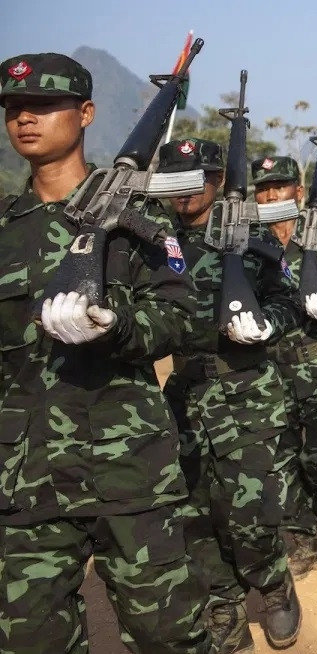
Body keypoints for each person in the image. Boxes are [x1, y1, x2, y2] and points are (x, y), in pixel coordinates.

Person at [0, 53, 211, 653]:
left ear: (86, 113)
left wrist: (116, 328)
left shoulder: (139, 219)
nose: (25, 119)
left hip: (130, 466)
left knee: (168, 635)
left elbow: (180, 315)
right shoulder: (4, 230)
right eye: (15, 109)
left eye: (43, 106)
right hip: (25, 475)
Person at [161, 138, 304, 650]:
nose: (184, 191)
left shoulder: (251, 239)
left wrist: (266, 326)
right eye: (173, 180)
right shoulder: (153, 242)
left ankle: (271, 582)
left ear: (217, 180)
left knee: (251, 508)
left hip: (246, 389)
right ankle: (222, 603)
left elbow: (292, 303)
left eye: (194, 178)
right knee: (195, 508)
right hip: (186, 390)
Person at [252, 155, 317, 576]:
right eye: (263, 188)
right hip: (266, 372)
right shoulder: (243, 246)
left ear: (298, 192)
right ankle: (298, 533)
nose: (271, 195)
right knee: (278, 461)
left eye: (280, 186)